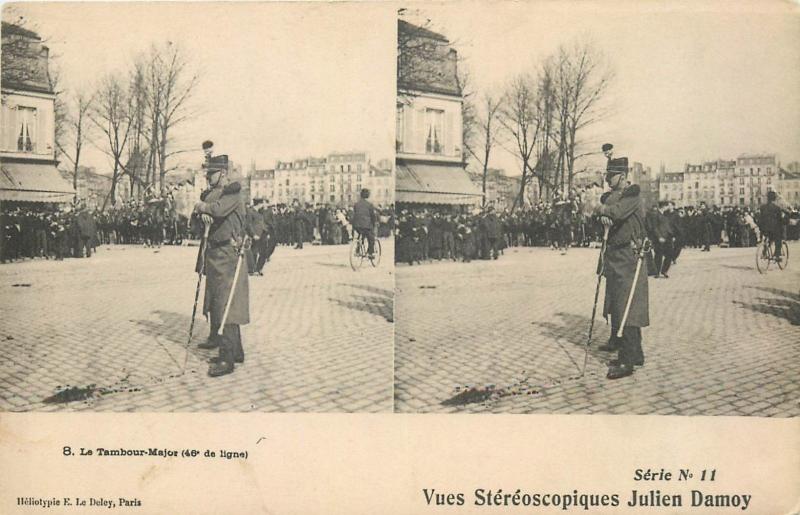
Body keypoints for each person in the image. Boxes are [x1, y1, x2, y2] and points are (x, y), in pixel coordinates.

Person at [193, 154, 250, 377]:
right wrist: (203, 212)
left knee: (227, 305)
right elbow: (210, 212)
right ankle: (236, 351)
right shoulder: (217, 195)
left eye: (212, 174)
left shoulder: (232, 193)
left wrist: (202, 207)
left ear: (223, 174)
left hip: (229, 253)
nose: (208, 178)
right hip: (218, 254)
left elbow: (217, 210)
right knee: (222, 302)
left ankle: (227, 359)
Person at [594, 156, 649, 380]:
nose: (608, 180)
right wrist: (603, 216)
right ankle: (635, 354)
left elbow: (616, 212)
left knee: (628, 308)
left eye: (611, 176)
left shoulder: (632, 195)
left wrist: (601, 210)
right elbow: (611, 215)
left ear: (623, 177)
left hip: (630, 257)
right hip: (618, 257)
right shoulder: (617, 197)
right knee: (621, 305)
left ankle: (627, 361)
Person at [758, 191, 786, 262]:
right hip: (774, 229)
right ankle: (777, 255)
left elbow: (760, 218)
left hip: (764, 229)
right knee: (778, 239)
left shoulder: (762, 207)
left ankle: (764, 252)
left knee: (768, 239)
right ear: (774, 198)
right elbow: (780, 220)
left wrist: (761, 228)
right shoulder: (777, 208)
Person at [352, 188, 377, 257]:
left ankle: (357, 250)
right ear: (368, 195)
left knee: (361, 236)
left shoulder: (356, 204)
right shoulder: (369, 204)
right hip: (366, 225)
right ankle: (370, 253)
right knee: (371, 238)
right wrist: (374, 223)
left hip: (356, 225)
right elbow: (373, 216)